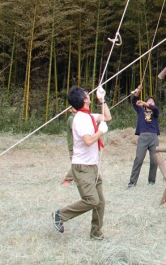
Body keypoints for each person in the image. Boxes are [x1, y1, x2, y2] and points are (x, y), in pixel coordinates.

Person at [53, 85, 111, 240]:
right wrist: (101, 132)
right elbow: (88, 141)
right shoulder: (80, 119)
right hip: (82, 167)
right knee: (92, 200)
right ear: (84, 99)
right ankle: (61, 214)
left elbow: (107, 117)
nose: (89, 94)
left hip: (92, 166)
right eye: (87, 93)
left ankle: (96, 234)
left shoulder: (88, 116)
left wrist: (102, 100)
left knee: (100, 203)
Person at [127, 86, 160, 188]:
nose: (151, 103)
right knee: (139, 159)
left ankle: (151, 181)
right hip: (143, 137)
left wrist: (147, 104)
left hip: (154, 137)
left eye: (152, 102)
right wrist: (138, 91)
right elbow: (134, 100)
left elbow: (156, 109)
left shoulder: (155, 112)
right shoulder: (141, 111)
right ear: (144, 104)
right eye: (149, 101)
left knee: (155, 160)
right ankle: (132, 183)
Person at [62, 107, 77, 186]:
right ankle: (67, 179)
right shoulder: (71, 118)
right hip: (73, 145)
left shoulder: (77, 118)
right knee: (76, 164)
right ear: (70, 110)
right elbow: (76, 129)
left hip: (77, 145)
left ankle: (76, 180)